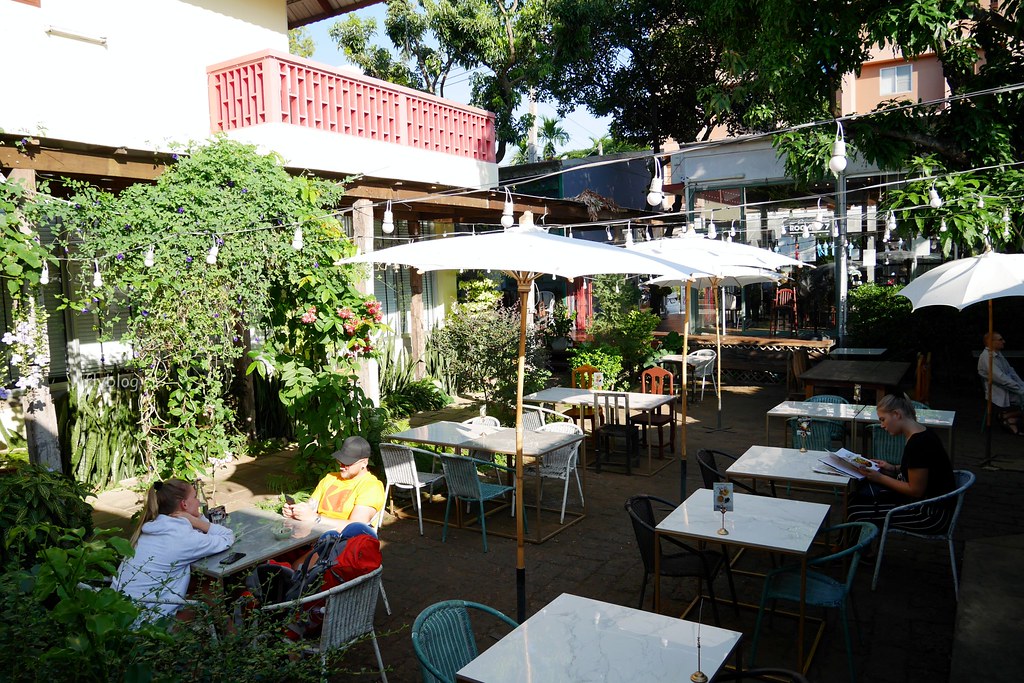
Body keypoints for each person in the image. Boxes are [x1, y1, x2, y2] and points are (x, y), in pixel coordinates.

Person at [113, 479, 234, 622]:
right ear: (184, 504)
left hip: (118, 615)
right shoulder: (182, 537)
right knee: (209, 590)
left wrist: (194, 518)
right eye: (195, 497)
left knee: (205, 584)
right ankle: (232, 636)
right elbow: (227, 537)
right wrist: (195, 520)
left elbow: (200, 532)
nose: (199, 501)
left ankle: (227, 635)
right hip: (145, 626)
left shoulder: (156, 525)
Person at [847, 394, 956, 536]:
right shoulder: (922, 433)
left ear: (896, 414)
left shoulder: (918, 443)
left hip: (930, 514)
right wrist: (892, 468)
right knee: (858, 498)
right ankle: (860, 552)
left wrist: (880, 478)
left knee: (856, 513)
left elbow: (916, 490)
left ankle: (854, 555)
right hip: (926, 505)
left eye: (883, 419)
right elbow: (919, 469)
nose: (882, 425)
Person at [283, 436, 385, 531]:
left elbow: (356, 528)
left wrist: (316, 518)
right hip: (316, 536)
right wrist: (296, 511)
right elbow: (311, 507)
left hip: (346, 543)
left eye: (347, 463)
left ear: (364, 463)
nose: (342, 466)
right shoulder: (330, 478)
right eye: (340, 461)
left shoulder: (371, 487)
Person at [977, 331, 1024, 434]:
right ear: (991, 342)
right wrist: (1020, 388)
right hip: (998, 390)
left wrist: (1022, 384)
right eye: (1000, 339)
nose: (1004, 341)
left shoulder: (998, 354)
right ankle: (1009, 419)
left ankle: (1008, 418)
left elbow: (1010, 371)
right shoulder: (987, 357)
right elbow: (1001, 378)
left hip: (1008, 388)